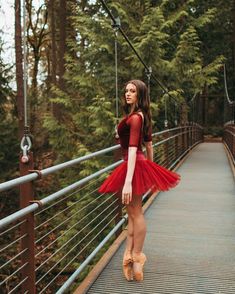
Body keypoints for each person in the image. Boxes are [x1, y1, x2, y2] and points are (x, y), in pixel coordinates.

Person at [99, 79, 180, 282]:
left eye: (132, 91)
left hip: (132, 165)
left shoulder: (135, 118)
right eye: (126, 90)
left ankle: (136, 256)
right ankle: (129, 255)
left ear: (140, 94)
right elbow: (150, 145)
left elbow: (134, 149)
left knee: (136, 213)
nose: (127, 94)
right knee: (133, 212)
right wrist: (151, 173)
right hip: (139, 165)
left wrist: (129, 181)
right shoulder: (142, 117)